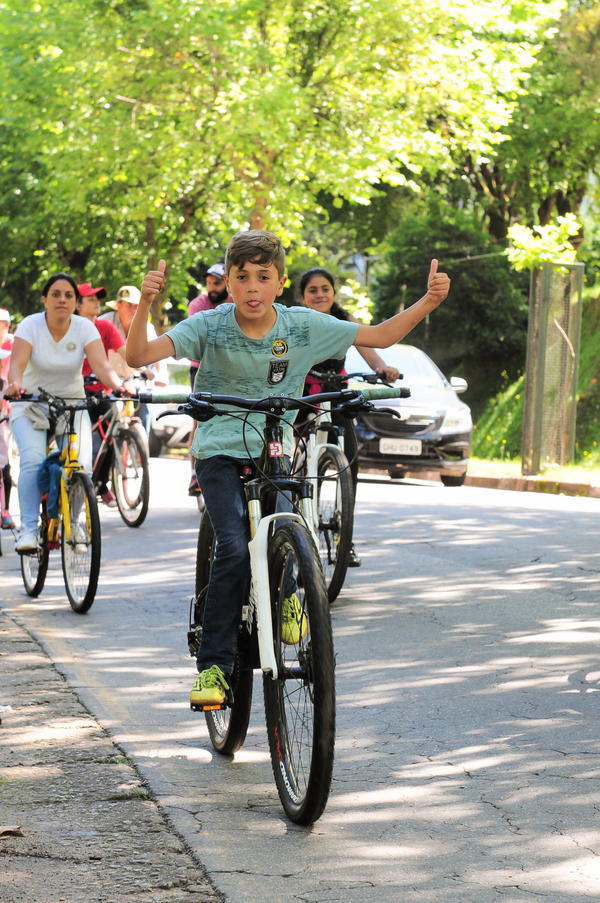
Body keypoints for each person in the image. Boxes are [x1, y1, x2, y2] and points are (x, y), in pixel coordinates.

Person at [126, 230, 450, 706]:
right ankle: (215, 667)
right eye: (242, 277)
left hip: (274, 447)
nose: (252, 287)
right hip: (218, 447)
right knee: (235, 545)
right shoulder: (210, 325)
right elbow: (137, 356)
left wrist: (426, 302)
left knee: (291, 527)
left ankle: (292, 594)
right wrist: (144, 308)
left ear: (280, 284)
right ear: (229, 283)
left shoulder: (302, 325)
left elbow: (380, 336)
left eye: (263, 277)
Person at [6, 273, 131, 552]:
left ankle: (74, 523)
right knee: (32, 461)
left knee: (81, 466)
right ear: (44, 299)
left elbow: (102, 366)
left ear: (76, 301)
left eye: (68, 295)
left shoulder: (85, 328)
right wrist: (14, 383)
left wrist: (120, 386)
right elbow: (18, 363)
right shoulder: (30, 325)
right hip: (31, 403)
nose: (62, 300)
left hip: (72, 405)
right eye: (56, 294)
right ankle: (28, 530)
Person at [298, 267, 400, 567]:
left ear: (333, 293)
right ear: (303, 296)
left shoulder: (346, 321)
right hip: (302, 392)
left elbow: (370, 350)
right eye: (313, 290)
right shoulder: (296, 320)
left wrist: (383, 368)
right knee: (293, 458)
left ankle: (346, 540)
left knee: (349, 462)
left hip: (336, 392)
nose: (319, 294)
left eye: (325, 289)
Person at [77, 283, 131, 506]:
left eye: (97, 298)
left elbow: (125, 352)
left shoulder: (105, 328)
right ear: (77, 304)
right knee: (78, 441)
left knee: (113, 429)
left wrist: (145, 366)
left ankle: (102, 483)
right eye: (90, 299)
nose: (96, 302)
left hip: (101, 391)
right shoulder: (72, 326)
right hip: (76, 392)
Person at [186, 262, 230, 502]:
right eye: (210, 282)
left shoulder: (236, 301)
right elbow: (199, 340)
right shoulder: (198, 304)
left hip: (230, 369)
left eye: (218, 281)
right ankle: (194, 473)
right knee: (199, 420)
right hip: (201, 369)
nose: (212, 286)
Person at [98, 284, 166, 434]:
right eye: (129, 305)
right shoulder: (104, 323)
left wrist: (161, 377)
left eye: (136, 305)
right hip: (109, 381)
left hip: (135, 380)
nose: (133, 309)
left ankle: (142, 452)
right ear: (118, 306)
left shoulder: (146, 327)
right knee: (104, 417)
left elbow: (158, 353)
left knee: (145, 408)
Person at [0, 308, 15, 529]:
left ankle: (4, 510)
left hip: (7, 407)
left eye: (3, 325)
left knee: (4, 466)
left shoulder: (13, 345)